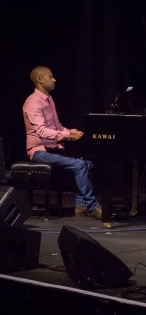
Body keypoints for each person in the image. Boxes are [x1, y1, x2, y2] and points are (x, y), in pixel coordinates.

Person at [22, 66, 104, 222]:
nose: (54, 80)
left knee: (87, 163)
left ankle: (80, 204)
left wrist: (73, 132)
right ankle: (92, 206)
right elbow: (41, 131)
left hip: (52, 148)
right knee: (79, 165)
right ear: (40, 80)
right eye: (50, 77)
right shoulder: (33, 102)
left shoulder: (49, 100)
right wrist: (67, 135)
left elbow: (57, 127)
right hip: (39, 151)